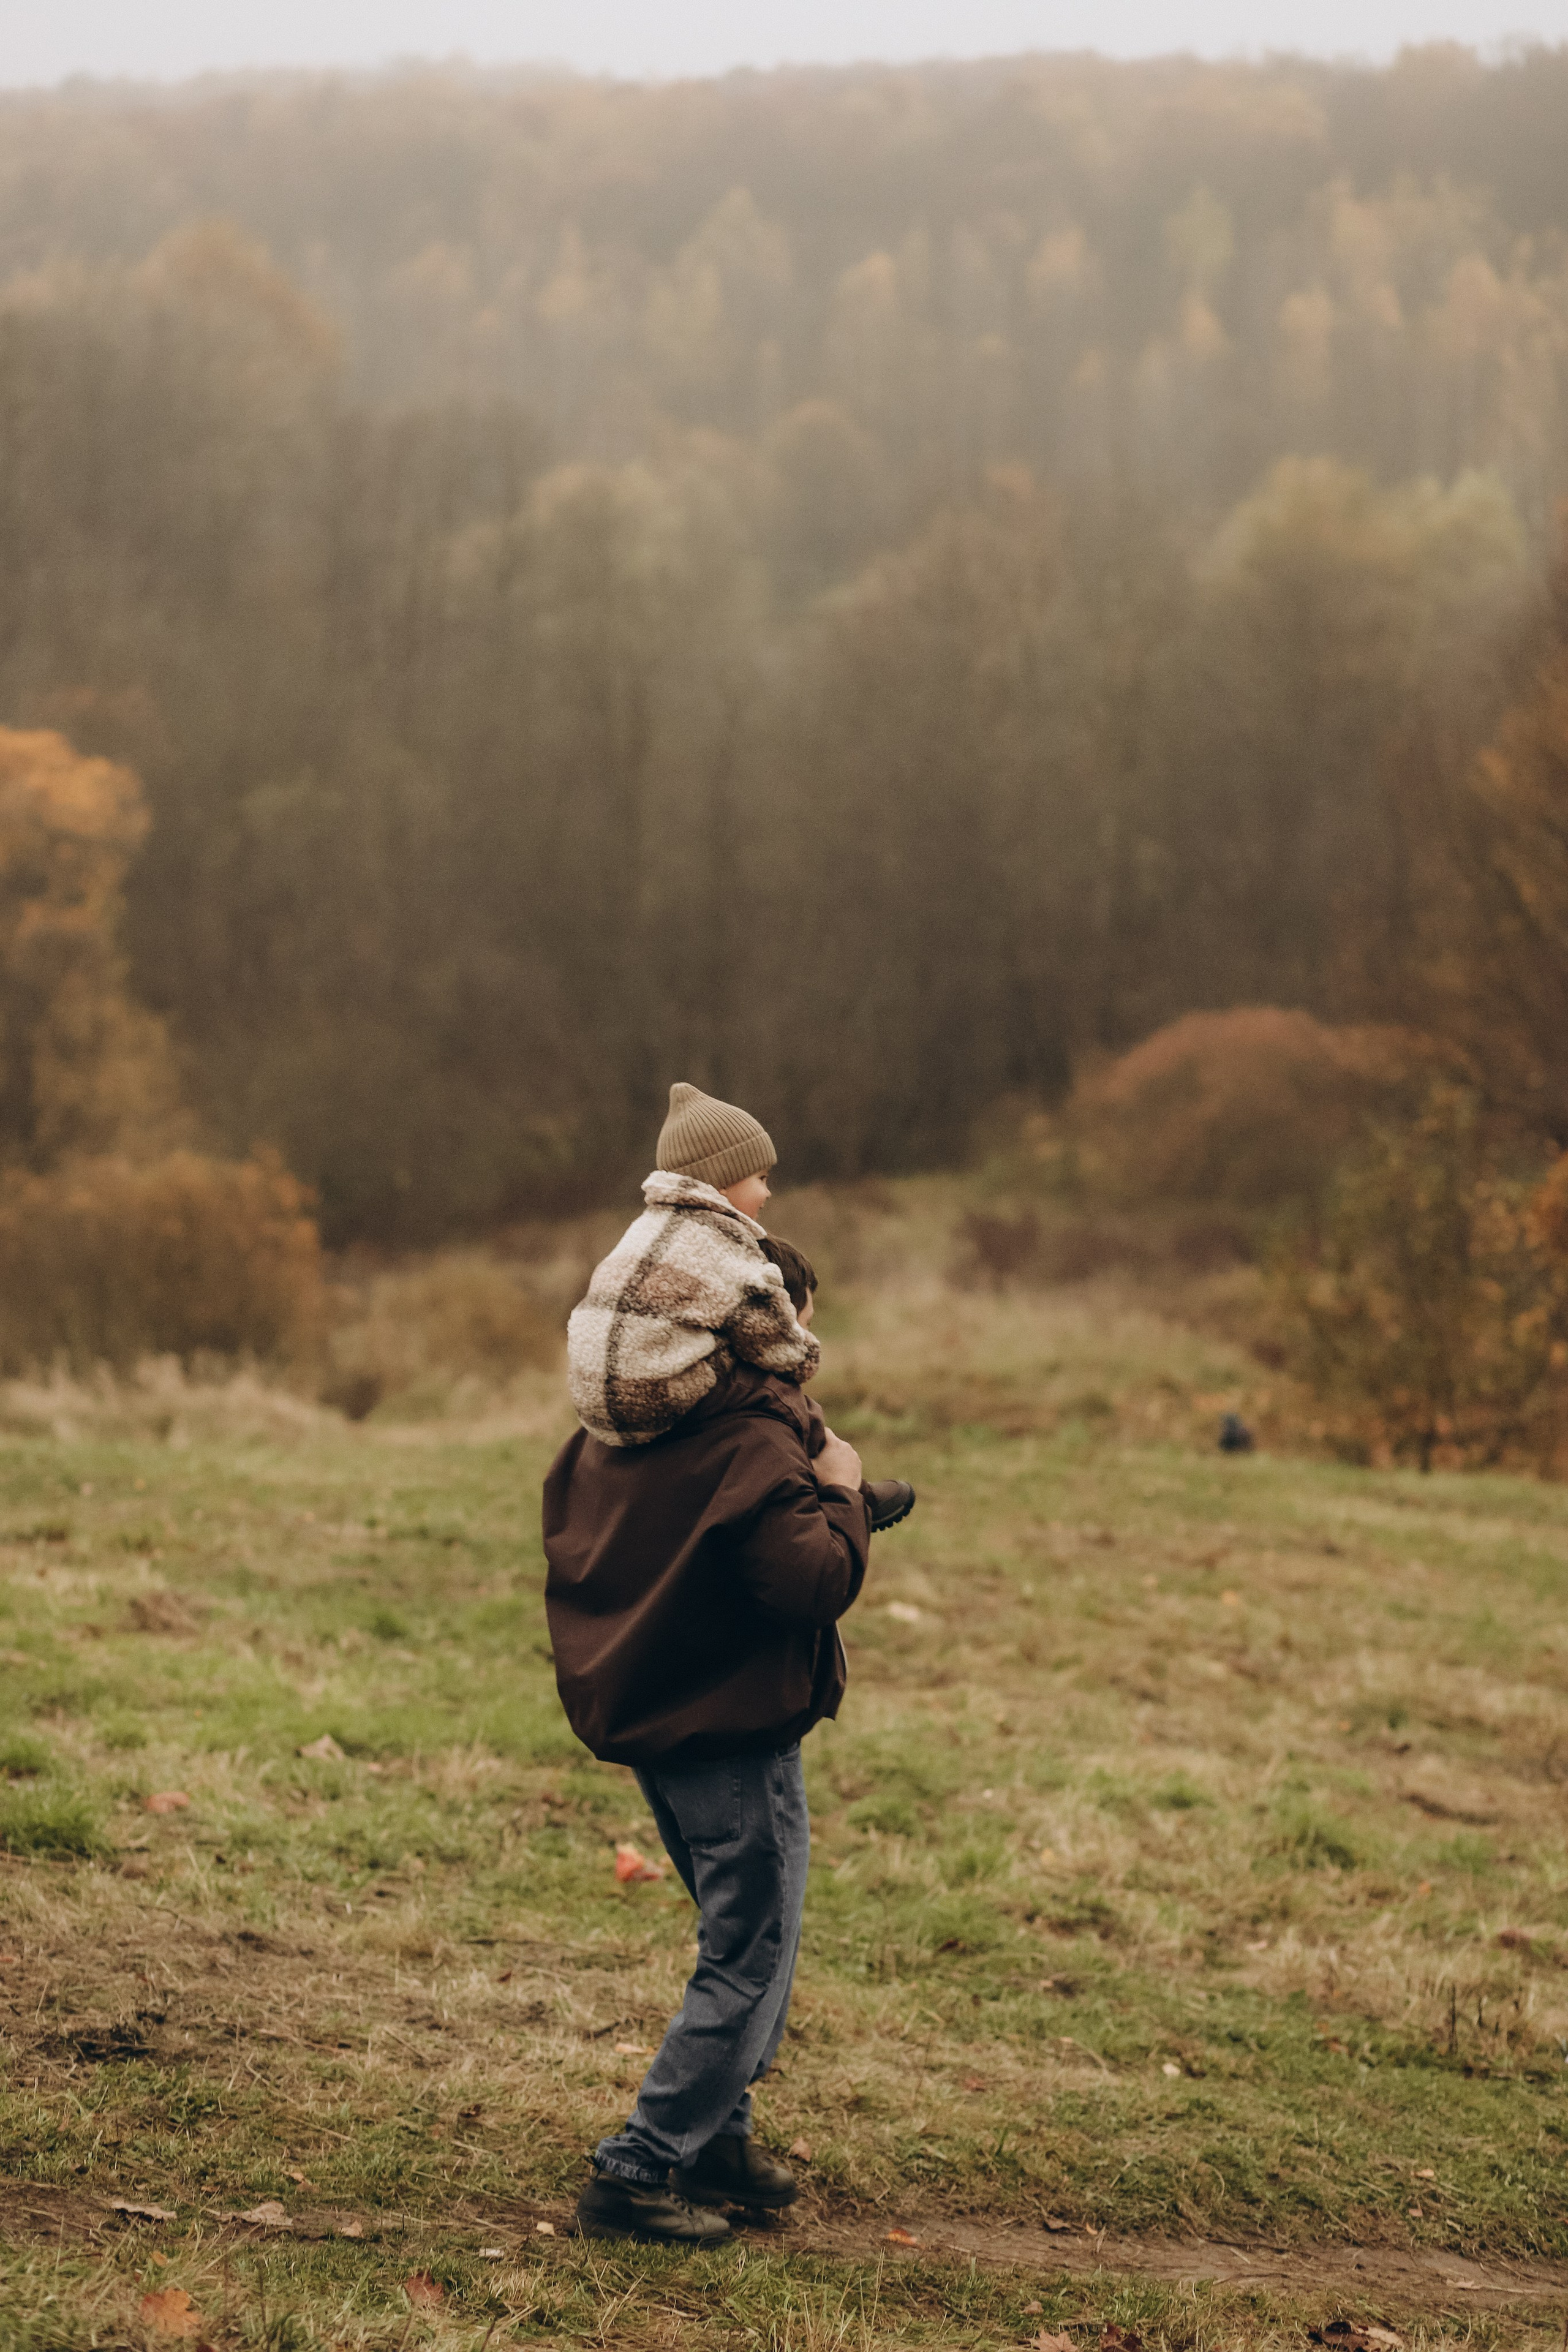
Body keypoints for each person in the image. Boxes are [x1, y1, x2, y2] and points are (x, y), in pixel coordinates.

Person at [543, 1083, 911, 2247]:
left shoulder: (643, 1419)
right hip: (729, 1723)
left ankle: (720, 2141)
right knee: (750, 1951)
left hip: (665, 1704)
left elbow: (744, 1512)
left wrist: (858, 1491)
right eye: (796, 1314)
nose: (808, 1341)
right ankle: (642, 2165)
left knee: (751, 1936)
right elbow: (805, 1576)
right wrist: (845, 1498)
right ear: (753, 1316)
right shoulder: (750, 1428)